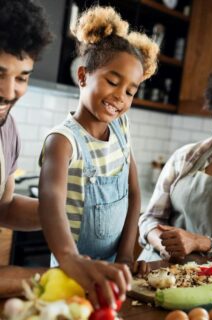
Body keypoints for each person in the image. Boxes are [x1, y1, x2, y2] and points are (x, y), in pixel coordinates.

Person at [38, 6, 159, 308]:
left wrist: (127, 256)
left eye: (131, 91)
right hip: (73, 275)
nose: (121, 96)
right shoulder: (63, 142)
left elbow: (133, 193)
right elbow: (50, 205)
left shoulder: (121, 127)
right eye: (113, 81)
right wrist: (73, 263)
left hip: (116, 270)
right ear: (83, 76)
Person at [139, 56, 212, 263]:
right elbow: (150, 218)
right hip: (158, 265)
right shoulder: (185, 157)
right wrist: (164, 245)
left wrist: (198, 242)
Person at [0, 0, 52, 297]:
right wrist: (60, 276)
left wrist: (65, 211)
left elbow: (4, 207)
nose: (10, 92)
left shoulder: (6, 129)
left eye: (22, 77)